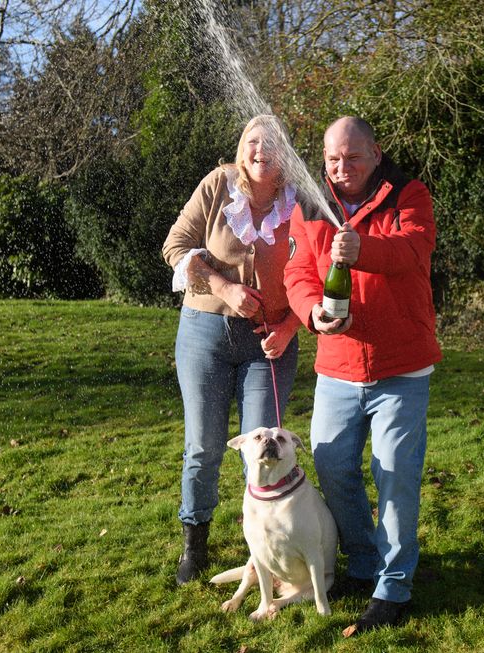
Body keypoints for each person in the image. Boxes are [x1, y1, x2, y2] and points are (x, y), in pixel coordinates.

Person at [284, 116, 441, 632]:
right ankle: (365, 562)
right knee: (332, 468)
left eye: (352, 157)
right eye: (332, 158)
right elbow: (298, 273)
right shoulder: (309, 204)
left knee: (394, 475)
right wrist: (312, 314)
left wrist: (361, 250)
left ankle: (393, 589)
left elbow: (413, 250)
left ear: (375, 153)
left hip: (401, 366)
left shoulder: (409, 194)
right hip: (338, 365)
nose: (341, 168)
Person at [162, 114, 302, 585]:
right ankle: (193, 543)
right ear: (242, 148)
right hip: (204, 332)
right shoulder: (218, 185)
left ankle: (266, 550)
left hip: (271, 342)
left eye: (272, 143)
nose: (261, 150)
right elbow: (175, 245)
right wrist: (223, 286)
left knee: (265, 448)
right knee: (203, 446)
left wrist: (289, 324)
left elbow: (320, 273)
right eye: (252, 141)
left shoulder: (299, 201)